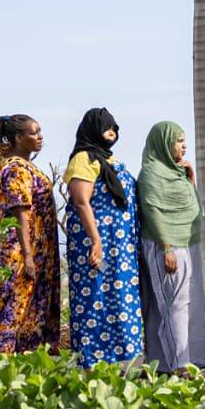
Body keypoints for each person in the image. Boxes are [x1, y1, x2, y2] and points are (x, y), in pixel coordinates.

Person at [64, 107, 143, 368]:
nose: (111, 132)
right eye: (105, 127)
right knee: (95, 298)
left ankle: (120, 363)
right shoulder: (84, 158)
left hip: (119, 248)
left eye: (114, 127)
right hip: (96, 246)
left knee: (119, 299)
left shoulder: (109, 160)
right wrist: (96, 240)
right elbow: (81, 200)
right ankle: (92, 364)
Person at [0, 114, 60, 355]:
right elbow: (20, 214)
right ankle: (4, 367)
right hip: (15, 253)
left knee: (22, 310)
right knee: (14, 310)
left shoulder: (17, 165)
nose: (40, 136)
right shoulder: (15, 168)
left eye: (40, 131)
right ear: (17, 137)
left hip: (25, 250)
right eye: (33, 132)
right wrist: (28, 256)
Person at [136, 121, 205, 373]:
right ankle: (180, 365)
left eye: (184, 140)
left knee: (187, 304)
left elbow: (194, 206)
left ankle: (168, 363)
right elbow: (153, 212)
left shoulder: (178, 173)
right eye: (178, 141)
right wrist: (166, 248)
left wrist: (191, 178)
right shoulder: (151, 174)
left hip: (188, 243)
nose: (183, 145)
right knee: (173, 305)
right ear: (164, 144)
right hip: (165, 245)